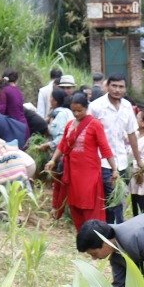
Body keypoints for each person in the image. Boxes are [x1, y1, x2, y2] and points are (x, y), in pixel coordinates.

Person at [48, 91, 112, 229]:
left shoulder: (95, 124)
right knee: (74, 203)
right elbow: (63, 145)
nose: (76, 114)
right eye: (74, 111)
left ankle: (95, 234)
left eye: (80, 110)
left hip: (89, 172)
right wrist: (53, 160)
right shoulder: (70, 124)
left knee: (90, 204)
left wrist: (115, 169)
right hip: (72, 172)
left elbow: (105, 148)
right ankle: (82, 234)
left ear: (86, 108)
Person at [88, 74, 139, 223]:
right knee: (112, 197)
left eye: (121, 86)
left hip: (122, 161)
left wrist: (138, 160)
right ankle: (117, 229)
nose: (117, 90)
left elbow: (131, 134)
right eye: (114, 86)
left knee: (118, 198)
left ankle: (112, 230)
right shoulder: (96, 106)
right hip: (103, 161)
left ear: (125, 89)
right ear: (107, 86)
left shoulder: (127, 106)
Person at [0, 69, 28, 139]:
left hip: (14, 127)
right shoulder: (18, 91)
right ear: (16, 80)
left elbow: (1, 110)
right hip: (24, 126)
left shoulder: (4, 90)